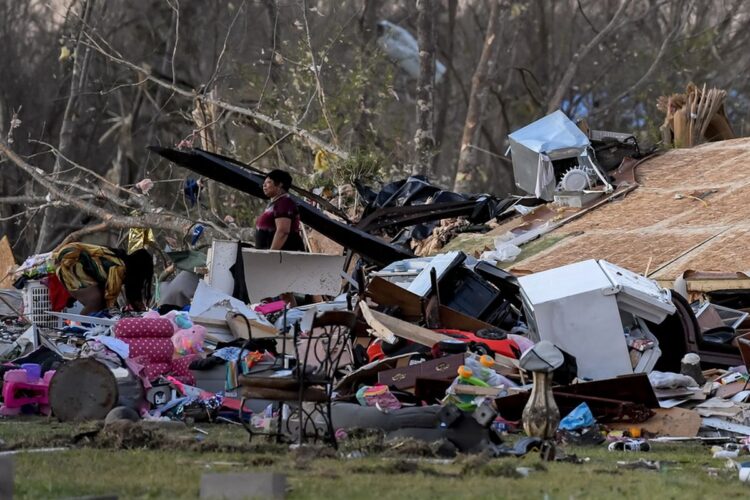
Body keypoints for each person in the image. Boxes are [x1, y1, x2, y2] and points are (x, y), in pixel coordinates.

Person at [53, 242, 154, 314]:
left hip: (68, 257)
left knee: (100, 303)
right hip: (70, 262)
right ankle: (77, 326)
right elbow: (111, 295)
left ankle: (82, 324)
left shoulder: (117, 258)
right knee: (96, 301)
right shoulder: (120, 267)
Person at [255, 169, 305, 251]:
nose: (264, 185)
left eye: (268, 182)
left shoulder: (284, 203)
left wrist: (271, 253)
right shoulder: (276, 203)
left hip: (282, 257)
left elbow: (283, 231)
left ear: (280, 184)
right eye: (264, 182)